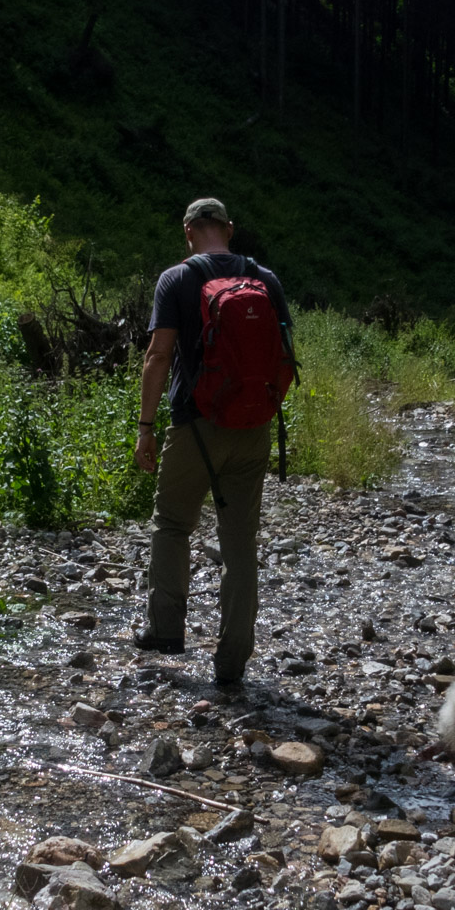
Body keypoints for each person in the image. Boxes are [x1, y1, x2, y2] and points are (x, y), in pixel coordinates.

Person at [133, 197, 293, 687]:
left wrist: (145, 427)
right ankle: (232, 660)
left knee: (172, 524)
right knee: (239, 543)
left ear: (188, 233)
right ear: (228, 228)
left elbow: (158, 357)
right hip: (253, 431)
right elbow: (284, 359)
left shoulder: (176, 279)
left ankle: (165, 630)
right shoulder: (266, 280)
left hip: (195, 426)